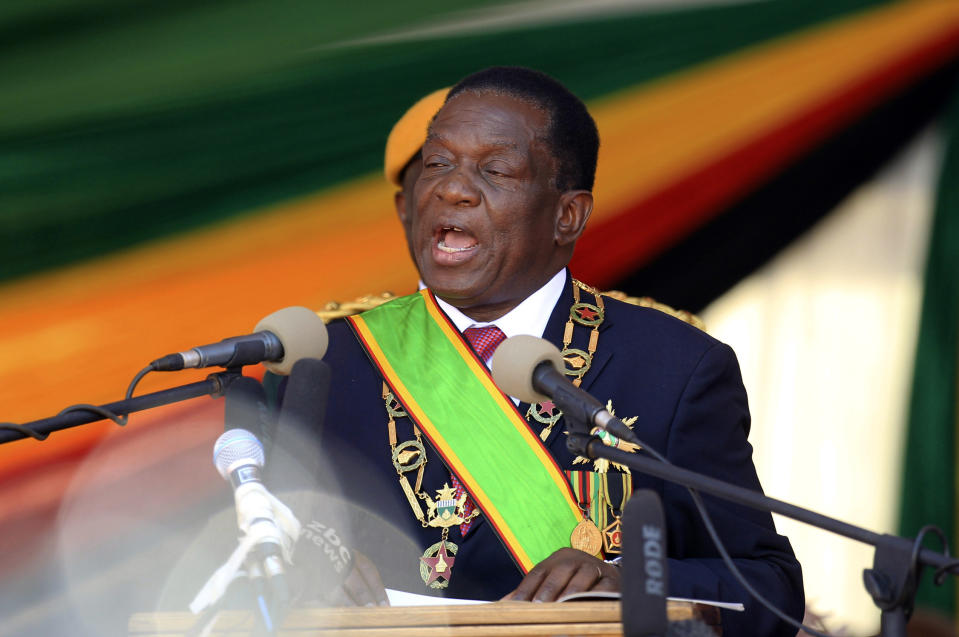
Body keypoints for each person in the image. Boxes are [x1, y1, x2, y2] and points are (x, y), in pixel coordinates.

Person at [284, 67, 805, 636]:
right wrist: (295, 565)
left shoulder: (674, 368)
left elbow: (768, 586)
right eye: (438, 164)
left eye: (494, 170)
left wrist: (628, 582)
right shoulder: (324, 358)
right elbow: (233, 557)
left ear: (567, 216)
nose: (451, 189)